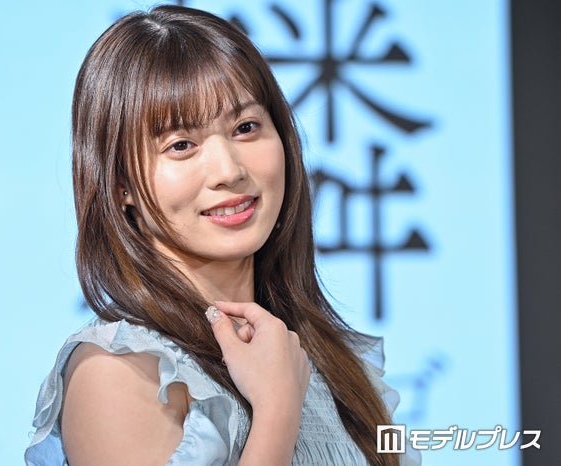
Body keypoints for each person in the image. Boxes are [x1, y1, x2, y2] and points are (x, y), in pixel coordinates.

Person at [25, 5, 419, 466]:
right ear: (121, 185)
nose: (229, 170)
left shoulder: (325, 358)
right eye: (181, 145)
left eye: (246, 127)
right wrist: (276, 410)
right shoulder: (120, 371)